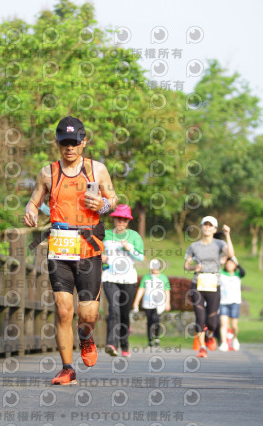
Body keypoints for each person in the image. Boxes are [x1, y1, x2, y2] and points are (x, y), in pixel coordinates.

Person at [24, 116, 117, 385]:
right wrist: (30, 211)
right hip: (60, 247)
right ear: (57, 143)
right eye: (64, 143)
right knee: (63, 309)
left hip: (88, 248)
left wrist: (101, 205)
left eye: (75, 143)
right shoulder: (48, 173)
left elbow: (113, 200)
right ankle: (67, 368)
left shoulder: (97, 170)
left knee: (87, 314)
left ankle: (86, 337)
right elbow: (33, 202)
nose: (69, 148)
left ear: (84, 142)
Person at [184, 215, 234, 358]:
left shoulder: (219, 244)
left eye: (210, 225)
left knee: (212, 321)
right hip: (198, 283)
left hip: (213, 282)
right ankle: (202, 347)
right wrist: (193, 267)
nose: (207, 227)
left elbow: (230, 254)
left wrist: (228, 235)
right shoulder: (193, 246)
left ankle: (210, 335)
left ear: (214, 229)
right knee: (200, 318)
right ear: (201, 227)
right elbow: (186, 265)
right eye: (205, 225)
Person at [101, 204, 144, 357]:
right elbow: (96, 251)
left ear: (128, 221)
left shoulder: (134, 236)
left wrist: (130, 249)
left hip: (129, 280)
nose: (121, 222)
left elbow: (140, 257)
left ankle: (124, 344)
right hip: (109, 277)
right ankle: (111, 344)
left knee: (124, 314)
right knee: (114, 310)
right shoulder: (105, 234)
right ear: (114, 219)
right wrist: (101, 257)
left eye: (124, 219)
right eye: (118, 218)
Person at [132, 259, 171, 347]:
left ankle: (157, 338)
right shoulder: (146, 277)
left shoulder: (163, 278)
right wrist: (136, 302)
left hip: (159, 303)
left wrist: (167, 302)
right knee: (149, 321)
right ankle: (150, 340)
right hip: (147, 302)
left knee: (156, 319)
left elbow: (167, 291)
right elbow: (141, 289)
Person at [219, 256, 245, 351]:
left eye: (231, 263)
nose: (229, 265)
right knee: (223, 323)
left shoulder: (238, 274)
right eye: (228, 263)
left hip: (235, 302)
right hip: (224, 302)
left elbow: (243, 272)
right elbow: (215, 272)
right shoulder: (222, 274)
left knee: (234, 325)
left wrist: (236, 263)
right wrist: (221, 263)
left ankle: (235, 338)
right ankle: (224, 342)